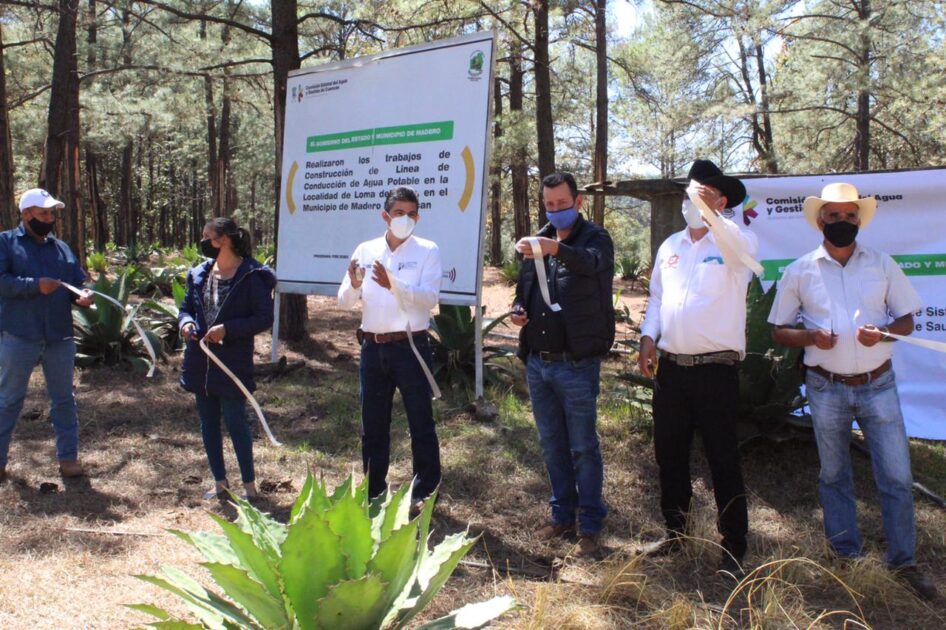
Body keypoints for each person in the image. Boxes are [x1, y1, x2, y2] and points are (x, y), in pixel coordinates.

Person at [768, 182, 936, 599]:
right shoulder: (800, 269)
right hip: (826, 388)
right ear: (820, 220)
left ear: (858, 220)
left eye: (848, 216)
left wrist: (883, 331)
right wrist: (808, 338)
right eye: (834, 216)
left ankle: (904, 561)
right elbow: (778, 330)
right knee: (834, 474)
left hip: (879, 384)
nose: (841, 222)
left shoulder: (881, 264)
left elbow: (907, 322)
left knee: (896, 476)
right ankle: (846, 556)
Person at [637, 159, 756, 574]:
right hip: (671, 369)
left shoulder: (734, 243)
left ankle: (734, 543)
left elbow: (743, 249)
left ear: (722, 201)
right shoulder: (670, 247)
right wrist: (648, 337)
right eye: (691, 194)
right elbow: (656, 298)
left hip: (715, 371)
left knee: (723, 457)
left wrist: (713, 215)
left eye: (705, 195)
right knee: (668, 454)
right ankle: (677, 533)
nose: (695, 202)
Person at [511, 171, 615, 558]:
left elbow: (592, 264)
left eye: (562, 204)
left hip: (577, 365)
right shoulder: (538, 240)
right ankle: (562, 515)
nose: (556, 211)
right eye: (549, 205)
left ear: (579, 202)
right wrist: (519, 311)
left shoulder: (596, 239)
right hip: (539, 364)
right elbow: (525, 291)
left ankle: (590, 524)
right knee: (552, 444)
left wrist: (554, 249)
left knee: (583, 447)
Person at [338, 186, 442, 506]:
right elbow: (343, 302)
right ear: (385, 216)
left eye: (412, 214)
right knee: (373, 425)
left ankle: (425, 491)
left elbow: (430, 298)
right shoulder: (366, 249)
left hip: (410, 347)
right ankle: (373, 490)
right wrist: (355, 284)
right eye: (399, 213)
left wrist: (395, 284)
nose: (406, 219)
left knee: (420, 421)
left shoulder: (427, 250)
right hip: (372, 348)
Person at [0, 189, 94, 482]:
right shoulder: (5, 243)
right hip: (19, 334)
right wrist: (34, 285)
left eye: (52, 213)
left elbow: (77, 281)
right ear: (26, 214)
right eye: (43, 213)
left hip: (59, 337)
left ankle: (69, 459)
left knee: (64, 399)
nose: (49, 219)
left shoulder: (62, 248)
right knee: (9, 399)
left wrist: (84, 294)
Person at [179, 217, 275, 500]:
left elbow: (263, 317)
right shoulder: (199, 273)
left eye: (207, 236)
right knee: (207, 422)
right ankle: (220, 482)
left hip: (232, 362)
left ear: (224, 240)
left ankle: (249, 486)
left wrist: (228, 330)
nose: (203, 241)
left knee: (235, 421)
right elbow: (185, 309)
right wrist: (185, 323)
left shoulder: (252, 275)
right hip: (200, 361)